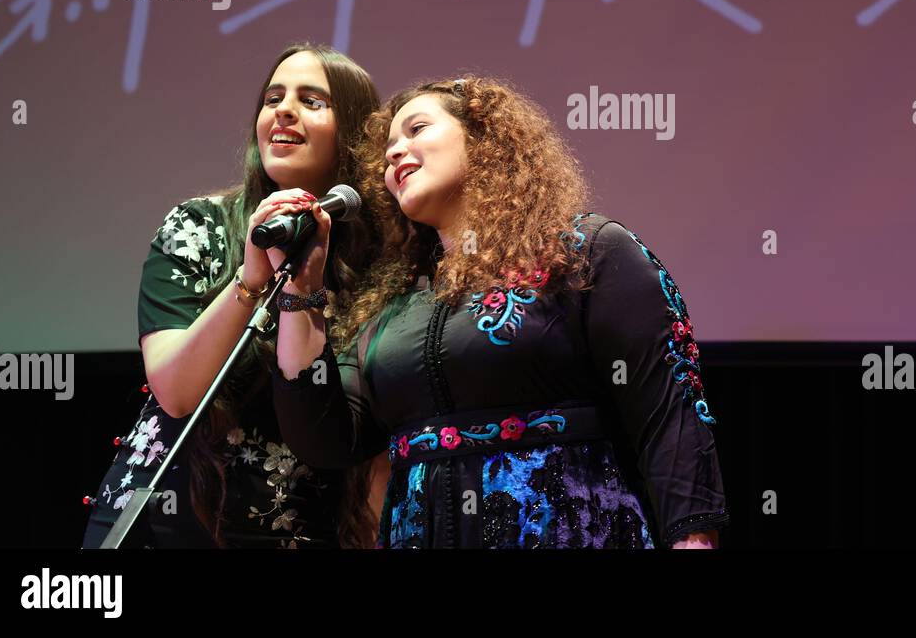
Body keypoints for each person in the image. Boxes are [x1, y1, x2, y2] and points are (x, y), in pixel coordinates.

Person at [272, 76, 730, 548]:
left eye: (417, 129)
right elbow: (325, 438)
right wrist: (298, 291)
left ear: (483, 139)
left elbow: (668, 413)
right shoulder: (391, 305)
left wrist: (693, 538)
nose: (393, 153)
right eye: (388, 146)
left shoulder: (583, 252)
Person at [81, 43, 388, 548]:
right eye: (273, 97)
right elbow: (176, 392)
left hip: (302, 530)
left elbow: (373, 445)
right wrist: (249, 280)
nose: (283, 109)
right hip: (165, 522)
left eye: (312, 100)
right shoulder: (197, 225)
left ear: (353, 134)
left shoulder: (379, 262)